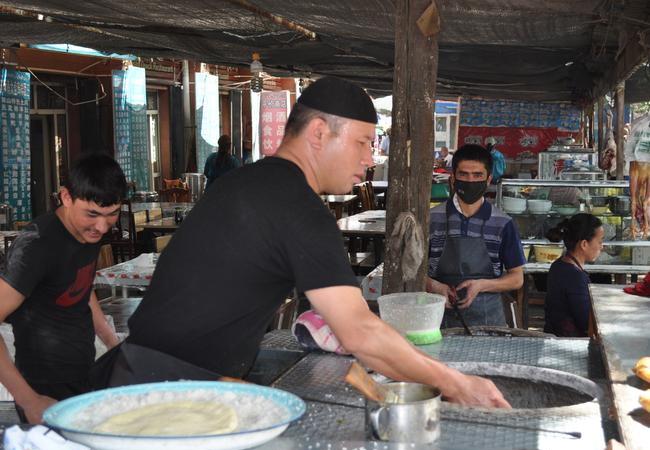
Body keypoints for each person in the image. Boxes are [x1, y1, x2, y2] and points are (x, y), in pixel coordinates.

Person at [93, 77, 509, 409]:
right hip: (161, 393)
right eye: (363, 142)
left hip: (146, 373)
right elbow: (359, 332)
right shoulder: (297, 206)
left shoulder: (247, 180)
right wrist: (455, 383)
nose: (370, 157)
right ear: (318, 133)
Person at [0, 153, 127, 423]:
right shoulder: (36, 246)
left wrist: (112, 343)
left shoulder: (87, 232)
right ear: (66, 197)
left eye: (112, 214)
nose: (101, 226)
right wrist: (28, 399)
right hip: (43, 390)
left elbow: (80, 286)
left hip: (82, 374)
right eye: (92, 214)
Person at [426, 144, 525, 328]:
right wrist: (433, 286)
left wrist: (481, 285)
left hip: (488, 320)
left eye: (477, 175)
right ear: (453, 178)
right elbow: (411, 271)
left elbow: (517, 278)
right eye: (464, 174)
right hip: (436, 319)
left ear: (488, 179)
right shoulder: (431, 219)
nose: (470, 181)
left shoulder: (503, 223)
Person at [544, 214, 604, 337]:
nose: (601, 247)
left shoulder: (558, 264)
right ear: (584, 244)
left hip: (554, 335)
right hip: (569, 343)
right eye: (599, 241)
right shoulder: (575, 277)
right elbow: (587, 324)